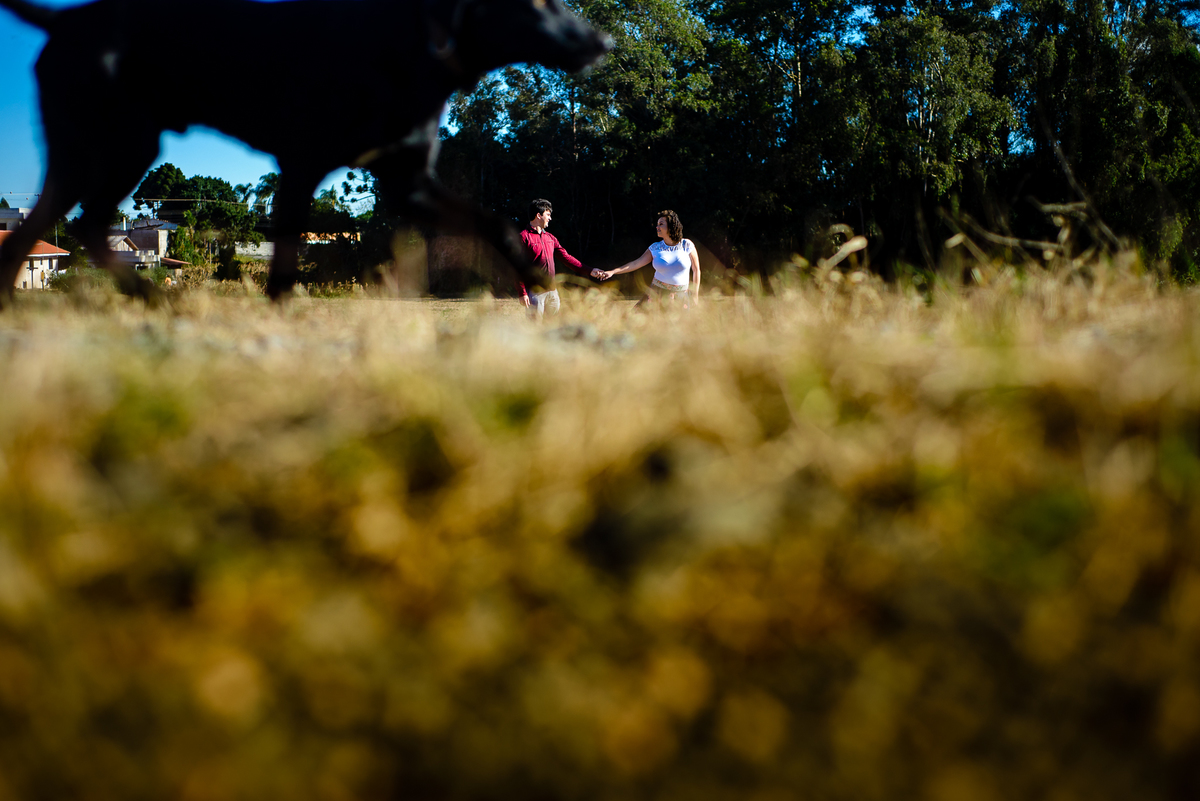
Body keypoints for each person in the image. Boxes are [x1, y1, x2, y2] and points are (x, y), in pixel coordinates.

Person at [518, 198, 606, 316]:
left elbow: (566, 258)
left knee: (553, 325)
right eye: (548, 214)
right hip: (535, 292)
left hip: (552, 293)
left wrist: (590, 270)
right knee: (535, 326)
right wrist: (522, 293)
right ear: (538, 215)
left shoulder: (550, 238)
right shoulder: (523, 237)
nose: (550, 218)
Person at [596, 210, 700, 307]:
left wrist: (695, 295)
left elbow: (696, 270)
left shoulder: (687, 245)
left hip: (681, 296)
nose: (657, 227)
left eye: (661, 224)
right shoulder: (655, 248)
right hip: (657, 294)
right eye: (657, 224)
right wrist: (613, 272)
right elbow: (636, 263)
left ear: (671, 226)